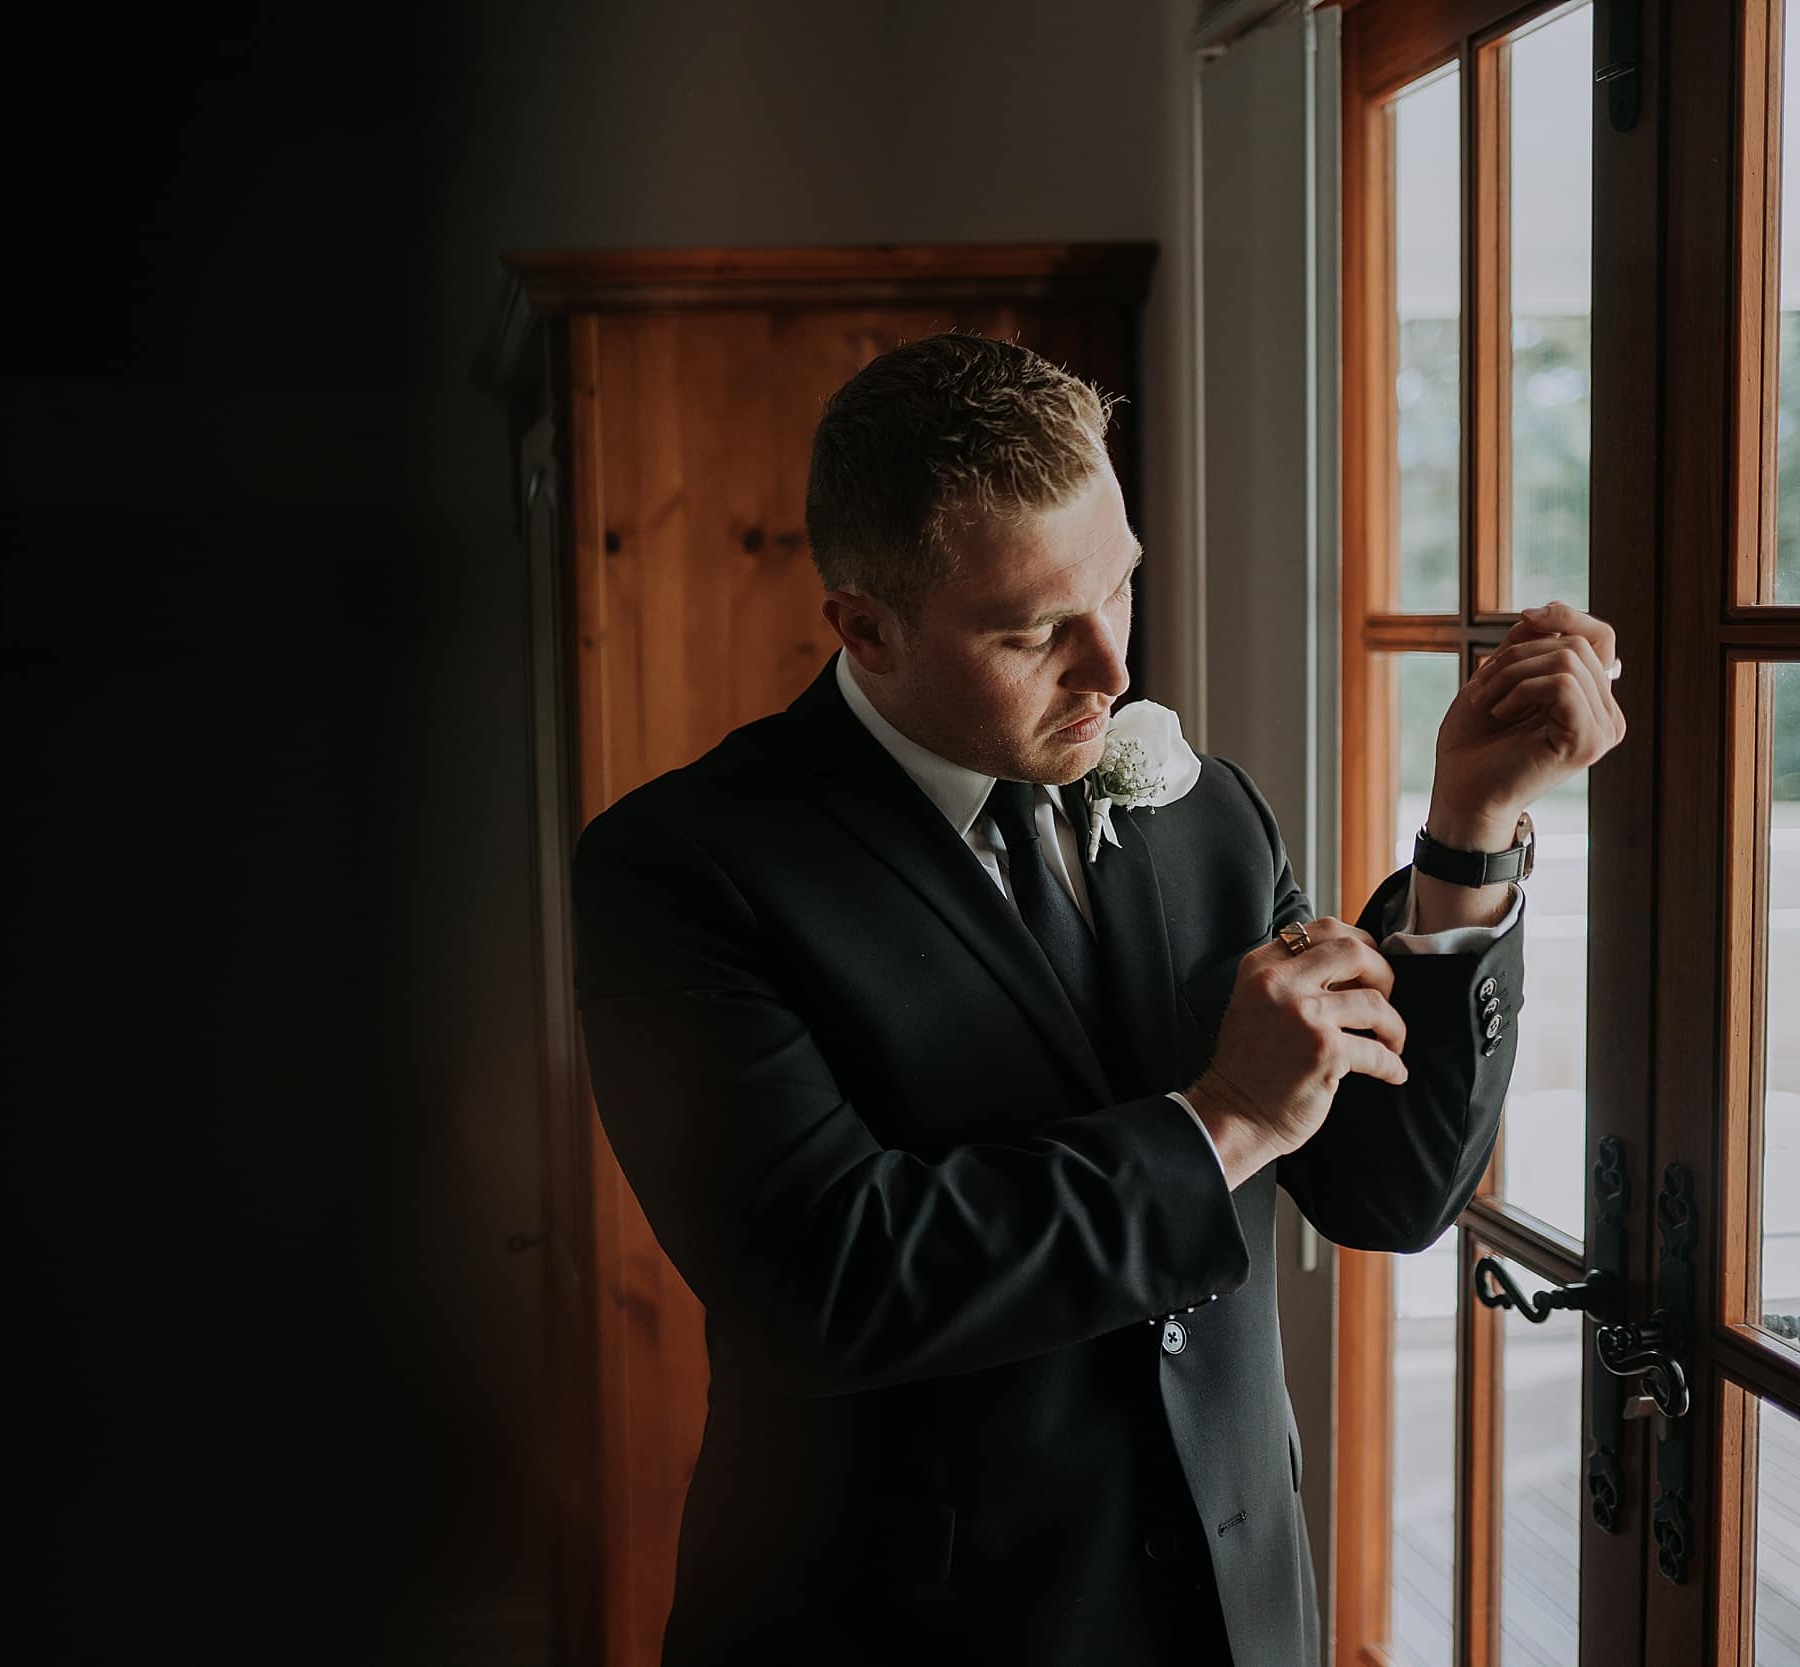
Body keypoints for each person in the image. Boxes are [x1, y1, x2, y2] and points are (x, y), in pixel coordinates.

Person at [570, 332, 1625, 1666]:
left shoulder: (1209, 814)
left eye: (1116, 589)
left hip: (1241, 1613)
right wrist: (1225, 1122)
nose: (1113, 669)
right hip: (908, 1630)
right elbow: (824, 1283)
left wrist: (1471, 828)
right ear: (865, 626)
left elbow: (1388, 1191)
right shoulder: (684, 870)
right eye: (1033, 632)